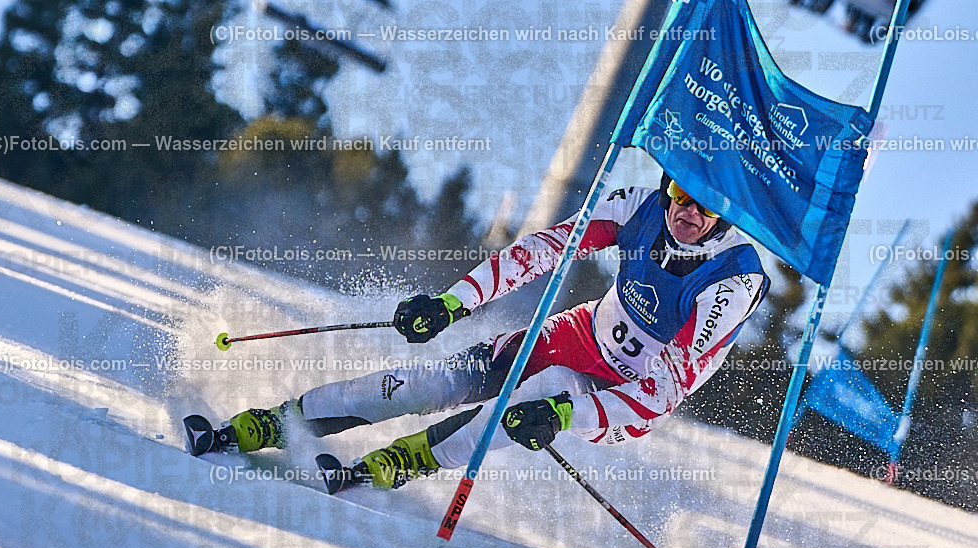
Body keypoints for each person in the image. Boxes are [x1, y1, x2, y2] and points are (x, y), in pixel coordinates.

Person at [191, 173, 769, 492]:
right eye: (679, 196)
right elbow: (542, 250)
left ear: (728, 218)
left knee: (527, 402)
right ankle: (276, 421)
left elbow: (664, 393)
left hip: (626, 393)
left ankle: (399, 463)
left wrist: (568, 417)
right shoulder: (639, 205)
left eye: (705, 208)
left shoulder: (732, 281)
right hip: (579, 332)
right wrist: (454, 302)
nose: (685, 213)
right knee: (435, 381)